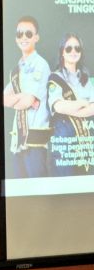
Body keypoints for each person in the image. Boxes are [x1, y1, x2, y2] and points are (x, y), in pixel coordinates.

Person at [3, 16, 51, 178]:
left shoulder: (40, 64)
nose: (23, 37)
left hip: (35, 143)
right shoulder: (16, 70)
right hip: (18, 142)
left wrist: (20, 99)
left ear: (36, 37)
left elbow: (28, 101)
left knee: (38, 190)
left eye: (28, 34)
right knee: (20, 190)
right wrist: (22, 97)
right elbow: (4, 99)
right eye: (20, 34)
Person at [47, 33, 94, 175]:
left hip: (86, 141)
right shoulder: (55, 78)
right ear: (62, 52)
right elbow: (58, 106)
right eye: (69, 48)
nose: (73, 52)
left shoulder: (86, 78)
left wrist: (72, 107)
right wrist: (82, 103)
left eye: (77, 48)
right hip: (64, 141)